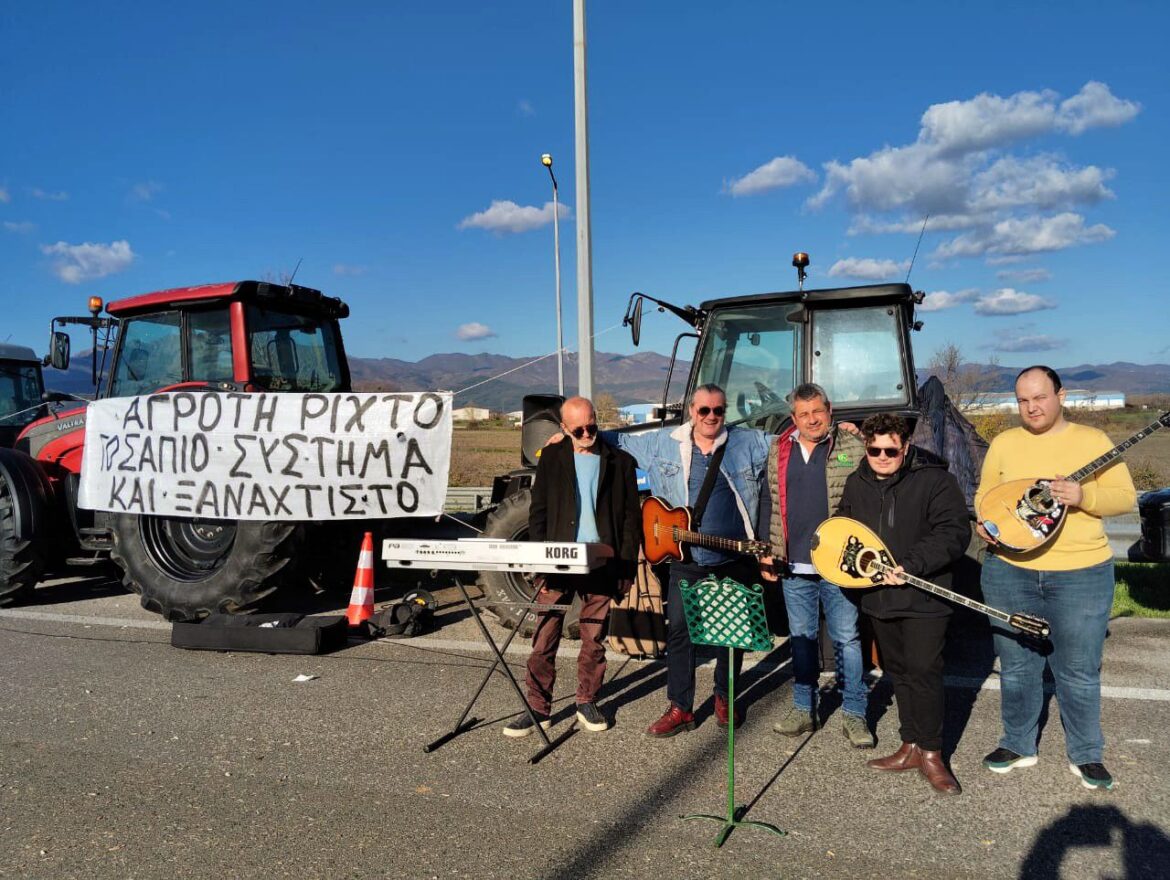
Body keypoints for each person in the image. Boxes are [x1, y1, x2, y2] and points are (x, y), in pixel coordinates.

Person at [974, 366, 1135, 791]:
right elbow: (986, 496)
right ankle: (1017, 744)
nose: (1032, 408)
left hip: (1081, 573)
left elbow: (1124, 497)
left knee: (1078, 669)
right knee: (1016, 666)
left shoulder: (1093, 441)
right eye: (1024, 400)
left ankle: (1086, 754)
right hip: (1010, 571)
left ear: (1060, 396)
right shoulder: (1005, 443)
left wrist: (1084, 496)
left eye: (1040, 397)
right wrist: (986, 523)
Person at [602, 384, 771, 736]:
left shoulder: (748, 442)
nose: (711, 417)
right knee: (680, 631)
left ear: (726, 412)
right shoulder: (663, 442)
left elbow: (794, 442)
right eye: (704, 410)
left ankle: (725, 698)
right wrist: (571, 436)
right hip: (685, 556)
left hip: (733, 555)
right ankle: (681, 707)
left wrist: (838, 430)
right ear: (691, 411)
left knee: (731, 633)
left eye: (718, 411)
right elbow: (614, 439)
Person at [838, 413, 970, 794]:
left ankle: (932, 753)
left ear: (906, 446)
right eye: (874, 449)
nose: (881, 456)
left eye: (890, 450)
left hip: (924, 597)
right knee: (900, 672)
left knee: (924, 673)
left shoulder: (935, 480)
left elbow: (953, 532)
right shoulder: (856, 482)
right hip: (879, 600)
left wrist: (910, 565)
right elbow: (844, 528)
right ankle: (910, 744)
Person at [503, 396, 641, 738]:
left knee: (593, 638)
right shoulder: (552, 456)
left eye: (592, 426)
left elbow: (629, 520)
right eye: (578, 429)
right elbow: (540, 511)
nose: (587, 434)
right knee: (544, 637)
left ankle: (587, 701)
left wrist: (625, 568)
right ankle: (537, 708)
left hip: (602, 562)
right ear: (563, 429)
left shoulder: (620, 462)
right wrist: (540, 559)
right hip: (556, 562)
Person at [759, 383, 872, 747]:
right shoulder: (779, 448)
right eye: (804, 414)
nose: (812, 420)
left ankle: (855, 713)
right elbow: (768, 501)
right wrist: (766, 548)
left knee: (847, 639)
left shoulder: (852, 447)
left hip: (838, 564)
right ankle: (803, 708)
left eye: (817, 412)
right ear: (793, 418)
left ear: (830, 411)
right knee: (802, 639)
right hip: (793, 564)